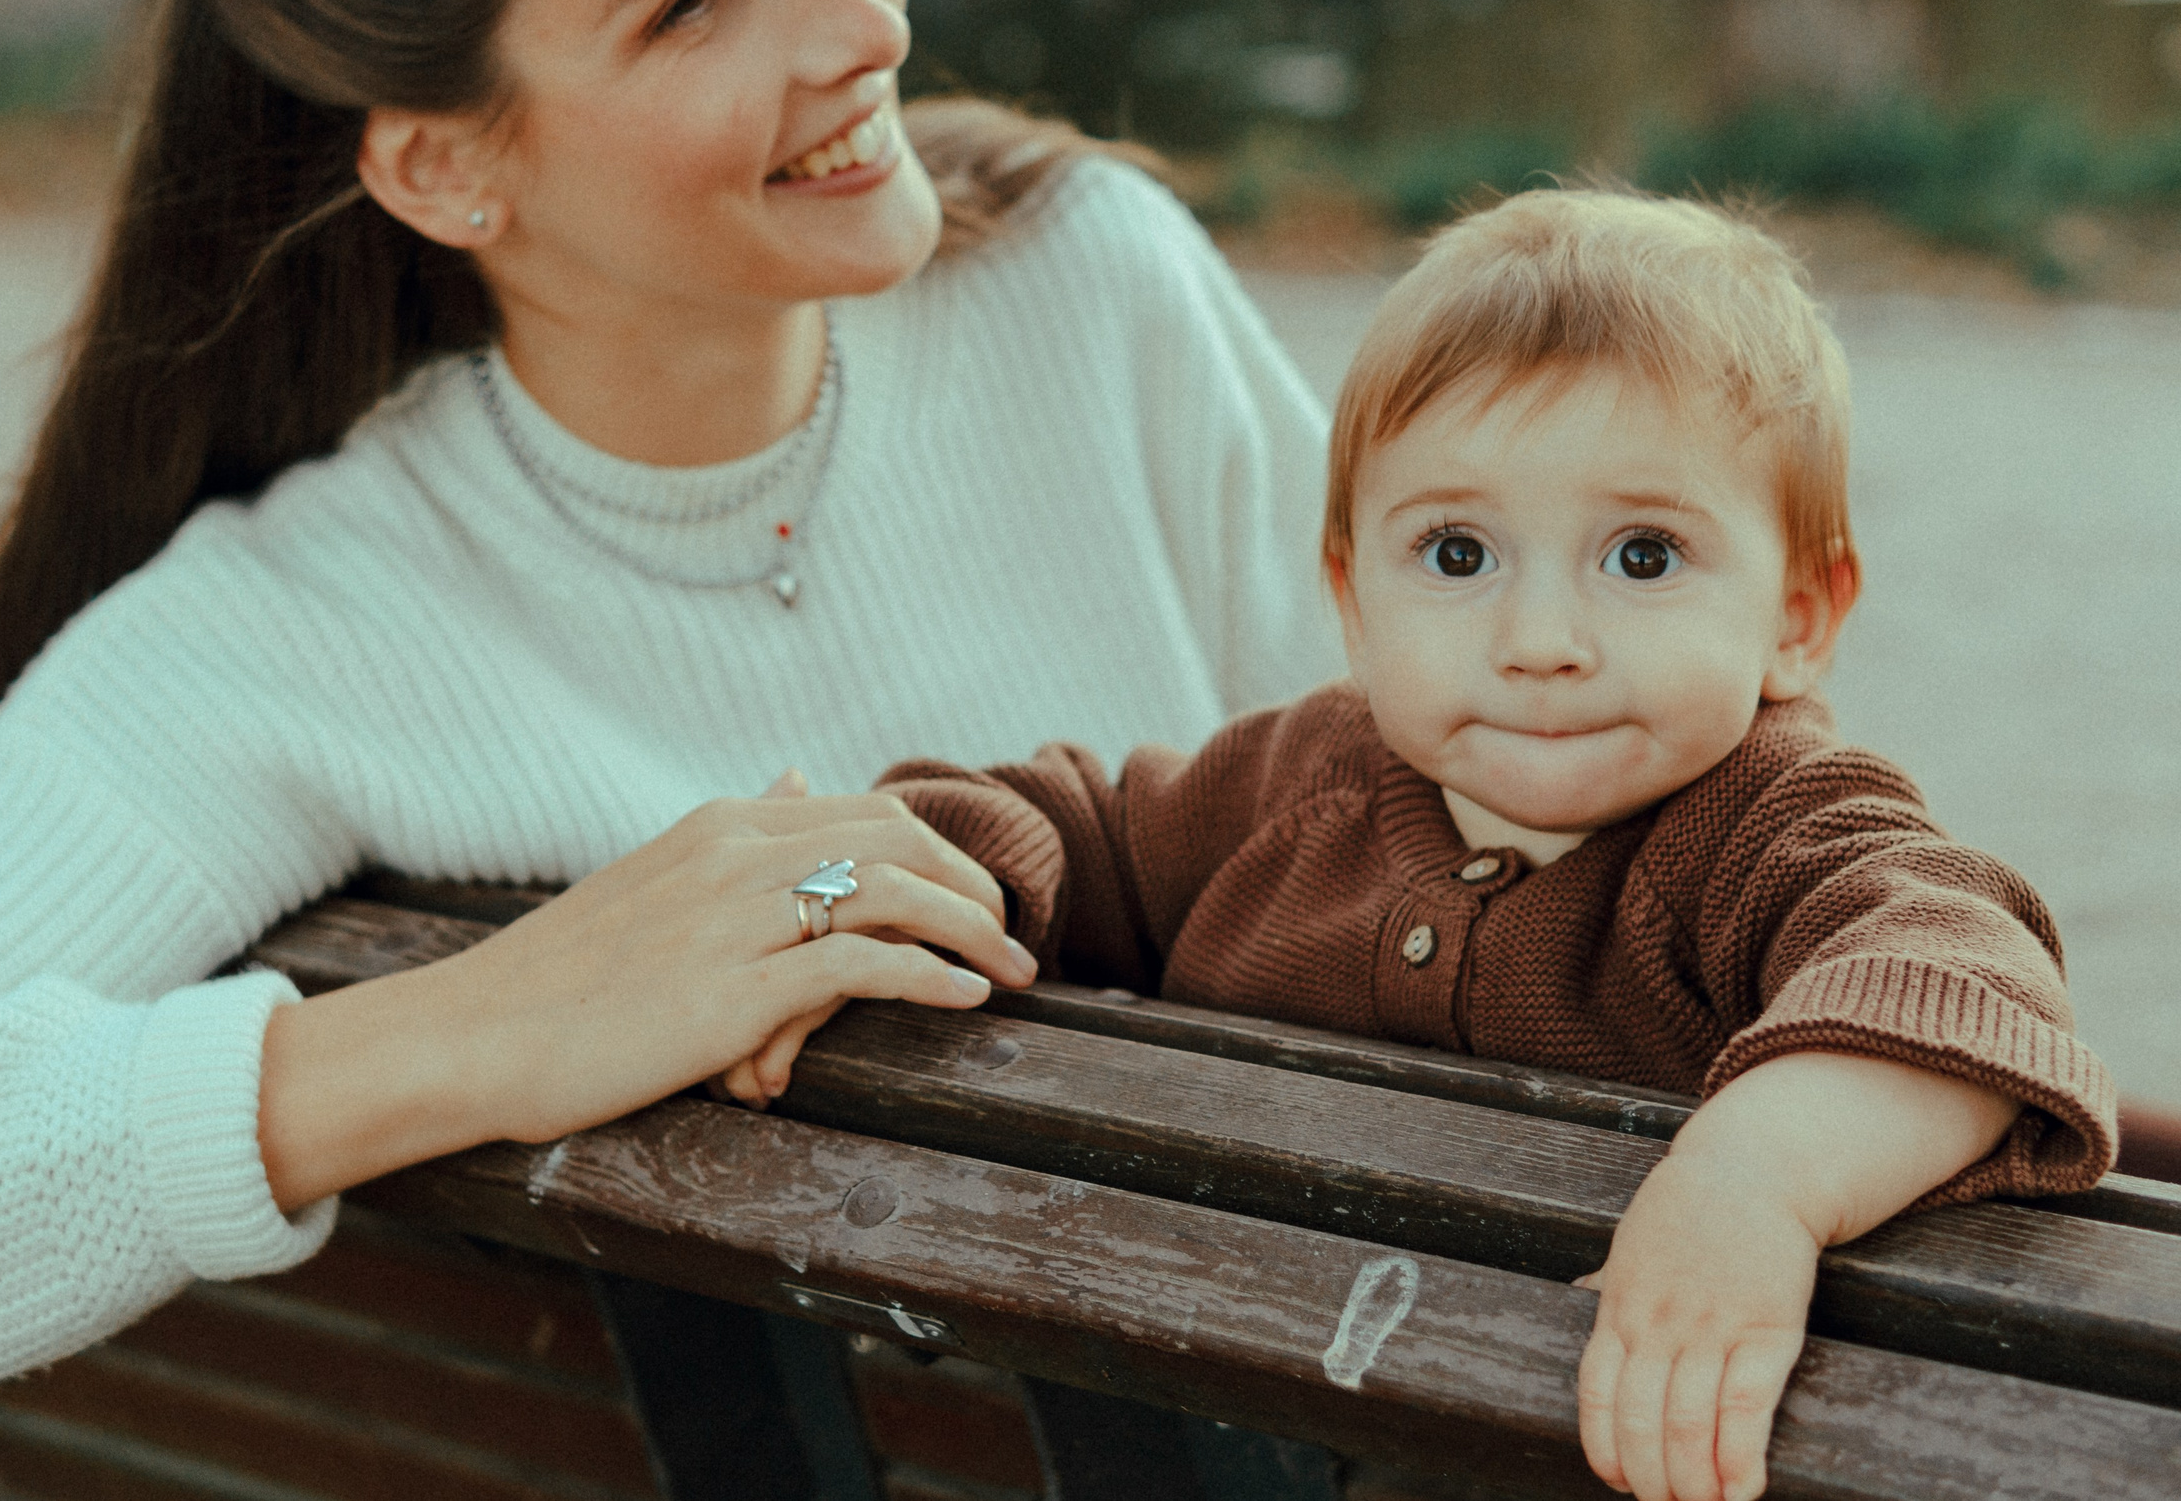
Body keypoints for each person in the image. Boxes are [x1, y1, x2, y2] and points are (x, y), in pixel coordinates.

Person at [0, 0, 1336, 1426]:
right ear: (445, 168)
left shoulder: (1092, 289)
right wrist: (488, 1025)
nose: (863, 19)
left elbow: (1503, 805)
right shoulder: (305, 624)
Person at [882, 190, 2118, 1501]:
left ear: (1798, 618)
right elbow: (1055, 823)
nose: (1539, 635)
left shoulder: (1778, 823)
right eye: (1457, 551)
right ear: (1355, 600)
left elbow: (1963, 972)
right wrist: (852, 892)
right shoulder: (1297, 783)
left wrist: (1753, 1181)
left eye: (1641, 556)